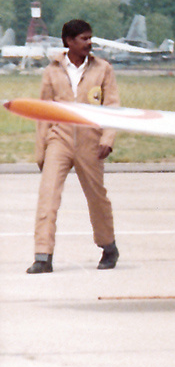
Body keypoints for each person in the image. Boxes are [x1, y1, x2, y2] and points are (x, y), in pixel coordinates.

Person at [26, 19, 121, 274]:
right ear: (69, 41)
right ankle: (43, 256)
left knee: (96, 197)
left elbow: (112, 107)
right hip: (60, 139)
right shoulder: (53, 70)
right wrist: (42, 151)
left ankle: (108, 246)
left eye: (90, 38)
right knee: (48, 197)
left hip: (91, 141)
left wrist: (107, 139)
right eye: (84, 39)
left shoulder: (103, 69)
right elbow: (44, 112)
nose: (89, 43)